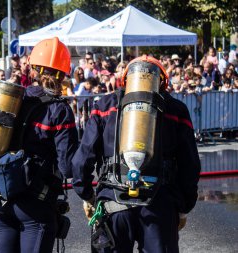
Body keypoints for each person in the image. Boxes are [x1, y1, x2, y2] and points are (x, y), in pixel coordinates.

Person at [71, 56, 201, 253]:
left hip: (113, 202)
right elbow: (190, 165)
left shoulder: (105, 105)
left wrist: (88, 196)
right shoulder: (176, 109)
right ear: (162, 81)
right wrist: (184, 208)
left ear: (126, 79)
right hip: (159, 204)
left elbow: (82, 159)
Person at [0, 37, 78, 253]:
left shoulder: (13, 100)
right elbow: (67, 167)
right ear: (63, 73)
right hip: (35, 204)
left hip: (0, 199)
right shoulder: (60, 110)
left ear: (33, 68)